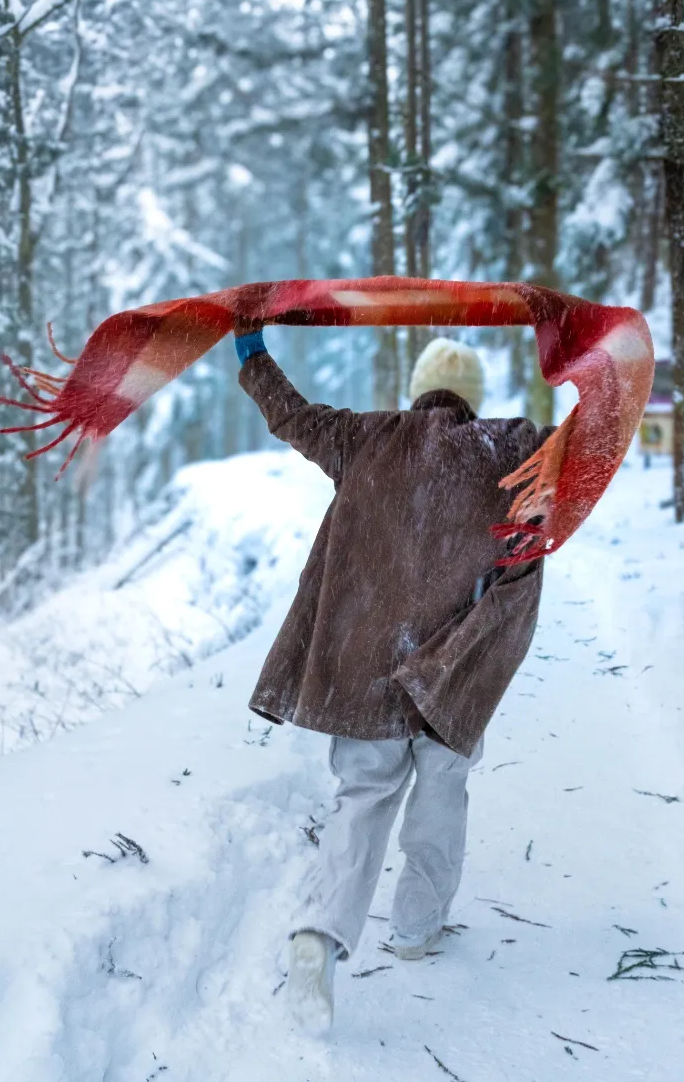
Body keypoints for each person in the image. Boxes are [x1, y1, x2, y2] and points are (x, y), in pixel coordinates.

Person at [234, 325, 553, 1034]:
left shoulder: (365, 438)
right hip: (452, 670)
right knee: (442, 796)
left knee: (362, 801)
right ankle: (416, 930)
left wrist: (251, 353)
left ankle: (320, 934)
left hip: (365, 668)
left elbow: (292, 414)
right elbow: (582, 462)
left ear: (416, 392)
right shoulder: (510, 450)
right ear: (472, 401)